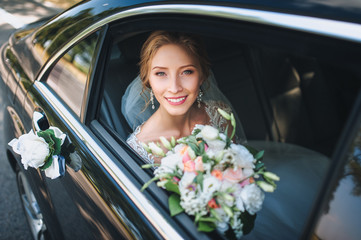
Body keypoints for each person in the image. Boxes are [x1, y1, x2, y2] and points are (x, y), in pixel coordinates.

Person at [124, 31, 245, 164]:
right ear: (148, 80)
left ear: (202, 76)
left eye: (186, 72)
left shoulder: (220, 115)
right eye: (161, 73)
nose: (175, 88)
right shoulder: (138, 150)